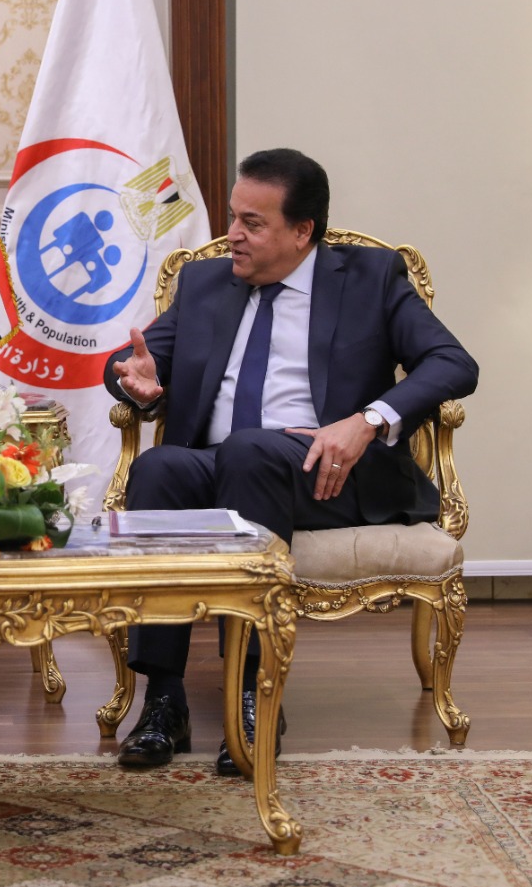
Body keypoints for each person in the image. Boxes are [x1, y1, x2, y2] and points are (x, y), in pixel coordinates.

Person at [104, 148, 478, 775]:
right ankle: (164, 700)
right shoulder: (206, 282)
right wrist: (134, 382)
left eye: (252, 223)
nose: (233, 234)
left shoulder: (370, 278)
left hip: (329, 475)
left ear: (303, 230)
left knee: (251, 450)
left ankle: (255, 695)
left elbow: (453, 363)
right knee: (160, 467)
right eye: (233, 216)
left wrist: (366, 422)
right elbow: (134, 362)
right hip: (225, 467)